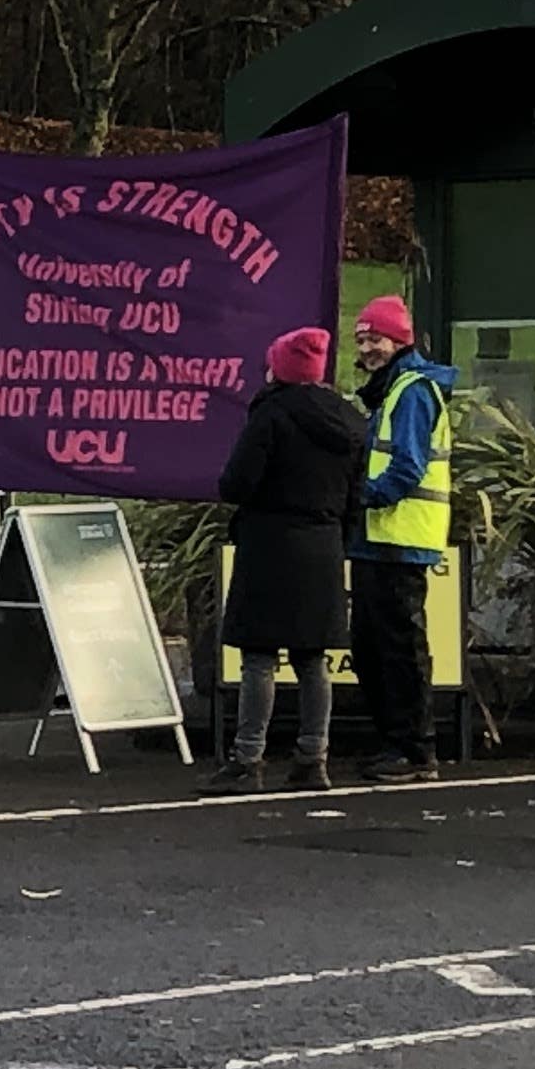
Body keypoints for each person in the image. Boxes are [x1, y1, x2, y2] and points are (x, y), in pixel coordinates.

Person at [207, 326, 366, 795]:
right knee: (312, 658)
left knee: (259, 656)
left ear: (280, 368)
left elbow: (236, 484)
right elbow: (357, 495)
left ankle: (247, 759)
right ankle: (313, 759)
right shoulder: (349, 422)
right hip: (323, 544)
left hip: (270, 543)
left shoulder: (270, 415)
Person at [347, 294, 455, 783]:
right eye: (363, 339)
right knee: (375, 647)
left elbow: (406, 466)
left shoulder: (410, 391)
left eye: (377, 338)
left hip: (397, 537)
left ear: (400, 340)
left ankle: (414, 751)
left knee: (397, 648)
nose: (369, 348)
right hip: (383, 538)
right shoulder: (396, 388)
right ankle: (398, 743)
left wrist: (365, 497)